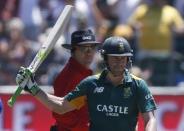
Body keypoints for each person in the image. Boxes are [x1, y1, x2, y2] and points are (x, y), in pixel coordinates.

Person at [16, 36, 157, 131]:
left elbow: (150, 119)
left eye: (123, 58)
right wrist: (33, 88)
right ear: (105, 59)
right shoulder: (91, 84)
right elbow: (61, 106)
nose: (119, 62)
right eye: (114, 58)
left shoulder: (139, 85)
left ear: (128, 60)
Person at [51, 29, 101, 131]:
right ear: (73, 51)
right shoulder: (70, 76)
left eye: (92, 48)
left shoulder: (83, 74)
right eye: (84, 48)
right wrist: (84, 128)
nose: (89, 52)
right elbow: (59, 112)